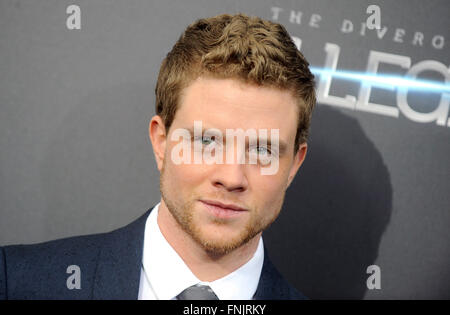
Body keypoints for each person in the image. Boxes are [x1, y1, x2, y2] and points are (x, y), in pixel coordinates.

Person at [0, 13, 316, 300]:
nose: (232, 178)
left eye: (262, 150)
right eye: (207, 140)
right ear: (161, 142)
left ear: (294, 165)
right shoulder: (16, 284)